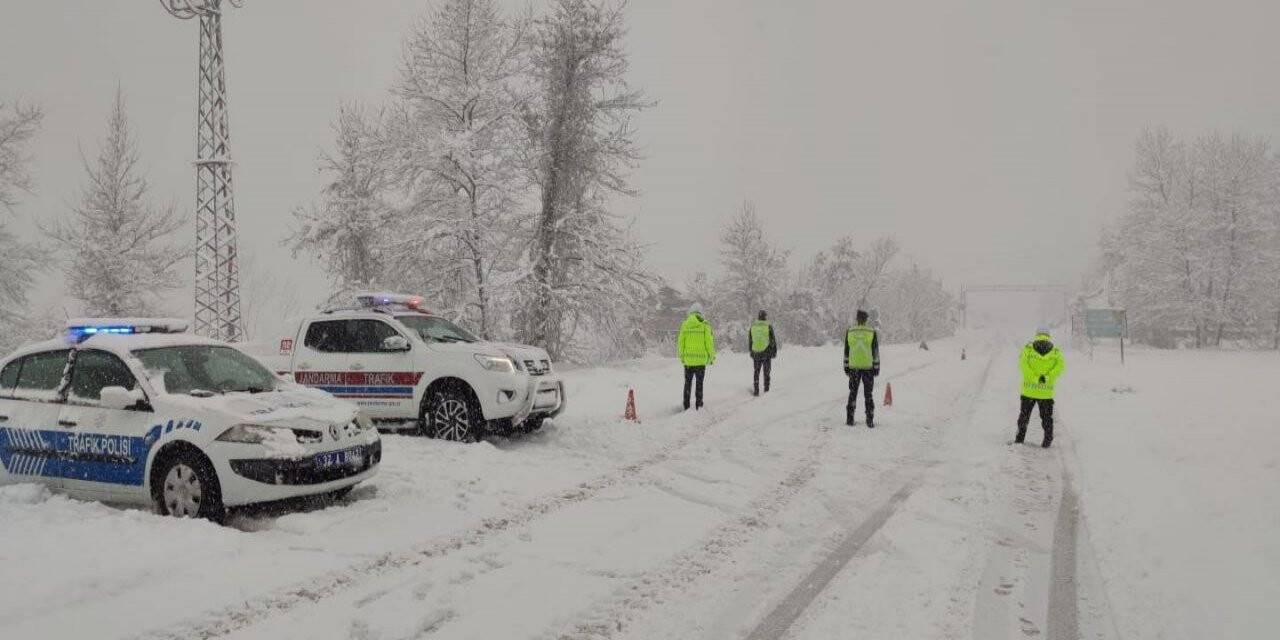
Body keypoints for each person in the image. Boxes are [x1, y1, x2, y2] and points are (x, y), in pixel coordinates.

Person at [1016, 326, 1065, 448]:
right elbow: (1059, 368)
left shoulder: (1028, 349)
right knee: (1046, 418)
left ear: (1036, 334)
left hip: (1029, 391)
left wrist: (1035, 378)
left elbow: (1023, 366)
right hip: (1046, 393)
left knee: (1024, 417)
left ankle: (1019, 439)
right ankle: (1047, 440)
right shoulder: (1055, 351)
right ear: (1048, 335)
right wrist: (1046, 378)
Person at [844, 310, 880, 427]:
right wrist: (876, 367)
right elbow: (875, 351)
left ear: (857, 319)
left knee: (852, 393)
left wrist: (846, 366)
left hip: (853, 367)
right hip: (868, 367)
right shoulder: (871, 332)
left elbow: (846, 351)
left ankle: (850, 419)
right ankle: (869, 420)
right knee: (868, 394)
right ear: (866, 319)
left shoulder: (850, 331)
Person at [678, 303, 716, 410]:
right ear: (701, 313)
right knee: (699, 384)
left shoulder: (685, 325)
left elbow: (680, 343)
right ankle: (698, 405)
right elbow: (709, 343)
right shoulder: (705, 325)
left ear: (690, 312)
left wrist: (682, 357)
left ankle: (686, 405)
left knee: (687, 383)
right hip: (700, 362)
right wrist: (711, 357)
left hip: (688, 362)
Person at [748, 310, 778, 396]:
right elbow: (773, 340)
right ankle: (766, 389)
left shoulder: (753, 326)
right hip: (766, 352)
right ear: (765, 317)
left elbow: (750, 340)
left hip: (756, 352)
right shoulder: (768, 326)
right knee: (766, 371)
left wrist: (751, 351)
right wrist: (774, 352)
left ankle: (756, 390)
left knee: (756, 371)